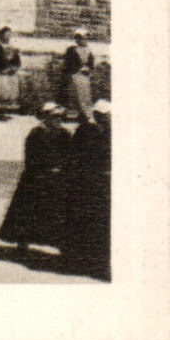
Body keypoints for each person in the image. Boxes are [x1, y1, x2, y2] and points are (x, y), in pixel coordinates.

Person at [0, 103, 72, 254]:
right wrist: (46, 168)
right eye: (55, 117)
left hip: (59, 175)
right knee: (29, 206)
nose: (58, 120)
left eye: (61, 117)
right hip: (37, 176)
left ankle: (59, 243)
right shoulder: (36, 134)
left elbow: (70, 156)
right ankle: (23, 241)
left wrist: (62, 168)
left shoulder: (65, 134)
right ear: (46, 117)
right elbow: (31, 157)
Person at [63, 100, 111, 278]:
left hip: (101, 183)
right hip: (84, 183)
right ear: (98, 115)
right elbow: (75, 156)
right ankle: (76, 259)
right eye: (105, 116)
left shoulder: (110, 131)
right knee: (82, 220)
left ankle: (95, 260)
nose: (108, 119)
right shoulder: (85, 130)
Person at [0, 27, 23, 119]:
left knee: (9, 89)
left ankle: (7, 109)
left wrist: (14, 67)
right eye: (5, 34)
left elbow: (16, 58)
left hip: (10, 71)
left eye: (9, 34)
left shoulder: (12, 46)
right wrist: (4, 68)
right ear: (1, 35)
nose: (7, 37)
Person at [62, 29, 97, 121]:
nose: (83, 41)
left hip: (85, 76)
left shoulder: (89, 50)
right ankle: (73, 115)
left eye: (85, 39)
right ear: (76, 40)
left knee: (85, 95)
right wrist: (77, 70)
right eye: (81, 39)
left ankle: (85, 115)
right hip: (74, 75)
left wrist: (88, 70)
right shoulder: (72, 50)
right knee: (74, 94)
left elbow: (91, 64)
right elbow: (68, 63)